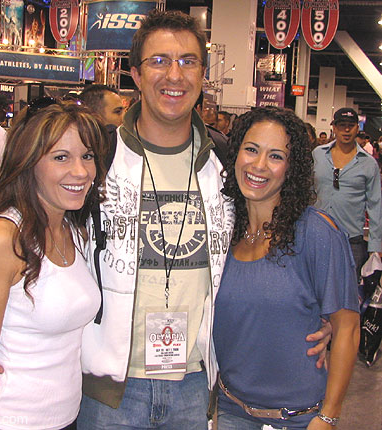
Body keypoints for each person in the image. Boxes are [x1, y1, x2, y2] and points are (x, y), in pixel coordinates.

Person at [73, 10, 330, 430]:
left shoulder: (227, 162)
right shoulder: (96, 156)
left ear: (202, 75)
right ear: (136, 75)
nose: (174, 75)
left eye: (188, 61)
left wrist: (319, 314)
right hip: (108, 390)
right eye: (159, 61)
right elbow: (42, 234)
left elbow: (271, 237)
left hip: (195, 385)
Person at [0, 99, 106, 430]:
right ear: (29, 162)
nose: (81, 172)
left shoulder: (73, 231)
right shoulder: (1, 240)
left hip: (66, 419)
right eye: (61, 157)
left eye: (87, 156)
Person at [214, 106, 360, 430]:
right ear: (235, 153)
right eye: (251, 150)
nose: (259, 165)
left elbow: (348, 328)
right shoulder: (222, 228)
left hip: (298, 418)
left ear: (291, 168)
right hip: (230, 410)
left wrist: (328, 416)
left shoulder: (317, 233)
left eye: (276, 156)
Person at [313, 107, 382, 281]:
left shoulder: (368, 164)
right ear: (334, 127)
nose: (346, 129)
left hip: (350, 241)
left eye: (350, 125)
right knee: (313, 288)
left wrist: (375, 246)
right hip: (316, 236)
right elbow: (306, 192)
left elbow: (375, 205)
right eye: (341, 125)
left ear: (357, 128)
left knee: (348, 291)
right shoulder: (318, 155)